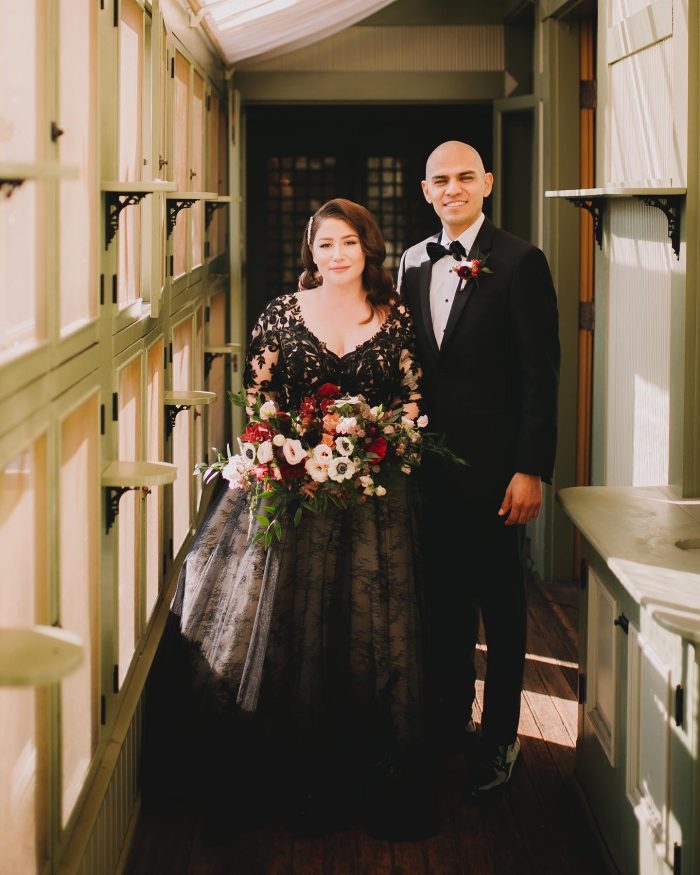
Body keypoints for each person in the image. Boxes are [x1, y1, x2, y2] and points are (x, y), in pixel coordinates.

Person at [169, 198, 434, 839]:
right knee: (286, 622)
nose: (336, 255)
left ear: (368, 247)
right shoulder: (282, 315)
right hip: (290, 493)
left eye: (347, 243)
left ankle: (361, 768)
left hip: (371, 501)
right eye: (323, 245)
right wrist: (291, 450)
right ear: (309, 253)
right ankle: (281, 769)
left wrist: (377, 442)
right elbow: (259, 401)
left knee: (365, 624)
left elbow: (411, 399)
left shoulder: (395, 317)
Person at [398, 141, 560, 796]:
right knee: (440, 603)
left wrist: (531, 468)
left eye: (466, 176)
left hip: (497, 473)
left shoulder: (522, 262)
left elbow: (539, 377)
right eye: (442, 179)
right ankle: (446, 720)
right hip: (425, 474)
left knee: (501, 604)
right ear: (426, 189)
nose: (454, 187)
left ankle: (500, 737)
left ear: (487, 182)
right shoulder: (411, 262)